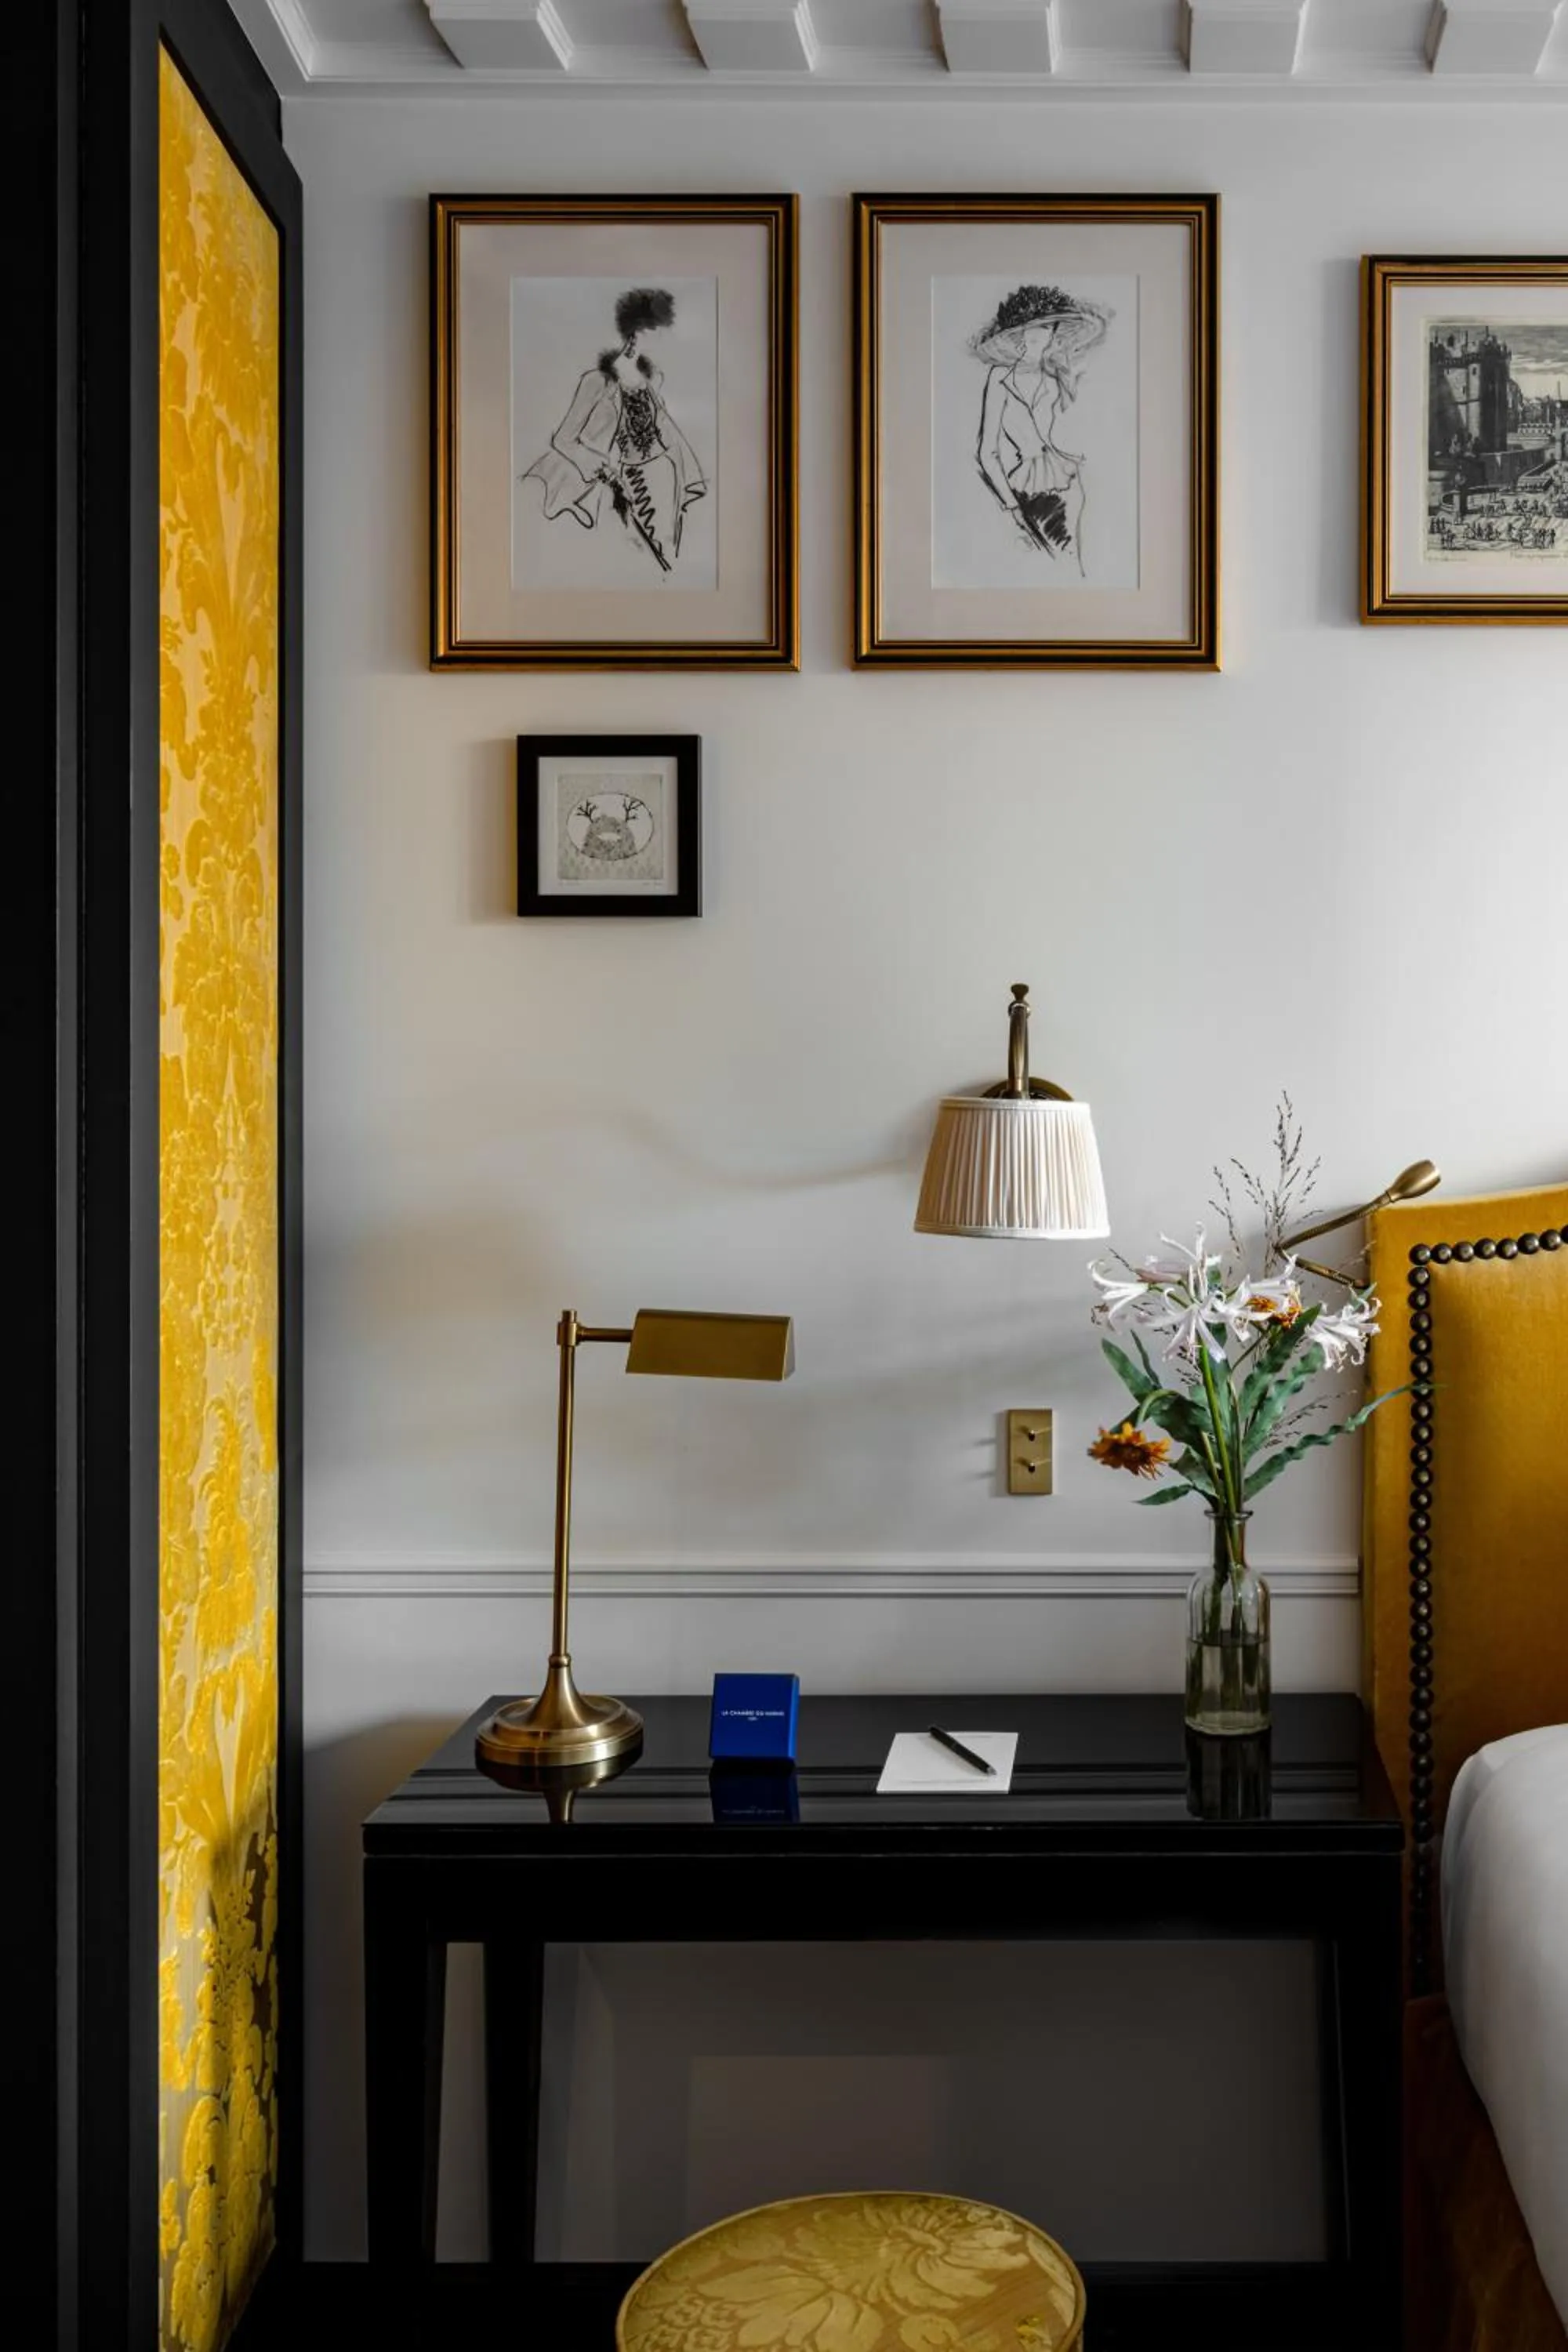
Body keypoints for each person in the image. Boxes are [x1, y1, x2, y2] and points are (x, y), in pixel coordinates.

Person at [522, 286, 706, 575]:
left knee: (669, 557)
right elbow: (564, 438)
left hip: (663, 478)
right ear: (635, 334)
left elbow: (664, 430)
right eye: (656, 332)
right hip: (621, 485)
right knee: (634, 562)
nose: (663, 340)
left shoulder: (653, 379)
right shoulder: (597, 382)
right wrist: (604, 471)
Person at [970, 284, 1112, 571]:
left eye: (1049, 327)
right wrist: (1012, 507)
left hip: (1068, 482)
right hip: (1026, 488)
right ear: (1018, 333)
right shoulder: (999, 378)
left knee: (1073, 560)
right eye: (1034, 327)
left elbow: (1078, 432)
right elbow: (988, 452)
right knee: (1042, 563)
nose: (1042, 334)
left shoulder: (1055, 377)